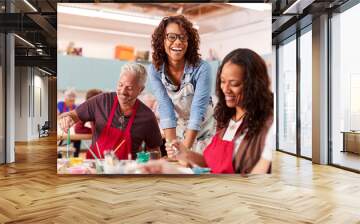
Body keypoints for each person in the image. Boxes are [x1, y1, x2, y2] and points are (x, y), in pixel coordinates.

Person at [140, 48, 274, 174]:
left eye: (234, 83)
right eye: (222, 81)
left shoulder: (268, 127)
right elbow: (211, 163)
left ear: (254, 85)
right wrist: (185, 153)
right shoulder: (226, 119)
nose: (225, 89)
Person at [58, 63, 163, 160]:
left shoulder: (147, 117)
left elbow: (154, 150)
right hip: (95, 166)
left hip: (125, 172)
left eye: (129, 88)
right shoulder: (102, 101)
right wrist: (67, 118)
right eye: (120, 85)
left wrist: (151, 169)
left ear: (141, 89)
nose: (122, 92)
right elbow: (74, 114)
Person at [149, 15, 214, 154]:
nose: (178, 42)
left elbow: (198, 110)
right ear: (162, 40)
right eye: (172, 37)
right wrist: (172, 145)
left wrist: (185, 148)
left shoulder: (202, 69)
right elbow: (165, 107)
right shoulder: (155, 69)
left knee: (202, 169)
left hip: (204, 129)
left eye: (183, 37)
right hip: (180, 127)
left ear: (189, 41)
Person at [73, 89, 103, 157]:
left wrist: (94, 131)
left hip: (100, 149)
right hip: (99, 149)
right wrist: (94, 131)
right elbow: (78, 128)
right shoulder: (92, 111)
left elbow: (78, 128)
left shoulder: (93, 111)